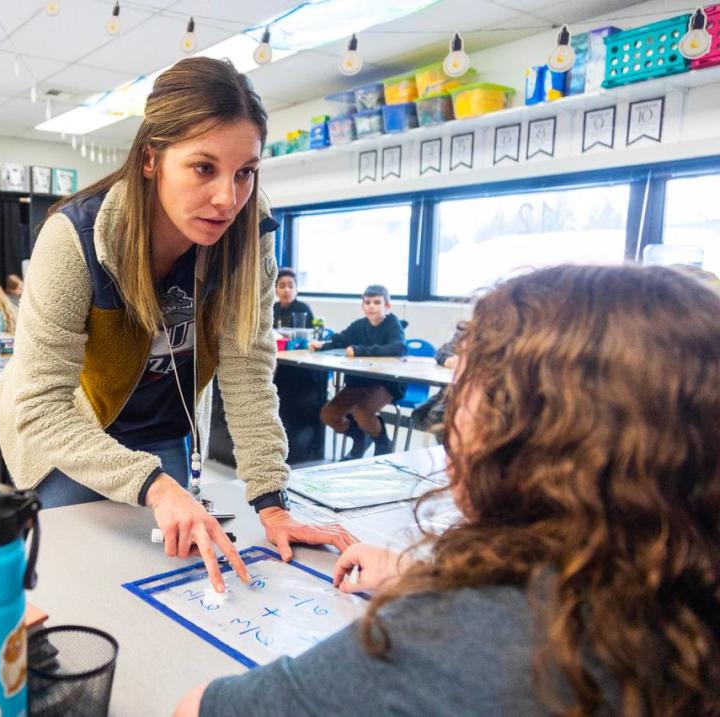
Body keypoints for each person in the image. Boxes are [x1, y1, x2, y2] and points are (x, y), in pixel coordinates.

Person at [176, 264, 720, 717]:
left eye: (463, 394)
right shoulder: (679, 588)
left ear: (519, 432)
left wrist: (441, 604)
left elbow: (198, 708)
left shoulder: (449, 642)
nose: (446, 419)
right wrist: (424, 577)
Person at [0, 57, 353, 593]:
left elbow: (248, 373)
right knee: (74, 585)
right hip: (74, 434)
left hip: (164, 430)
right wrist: (156, 487)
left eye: (245, 172)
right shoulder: (75, 238)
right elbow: (40, 406)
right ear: (150, 159)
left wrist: (272, 502)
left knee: (168, 580)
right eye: (204, 168)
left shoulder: (250, 234)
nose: (227, 198)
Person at [309, 284, 406, 458]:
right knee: (328, 415)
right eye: (367, 302)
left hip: (384, 384)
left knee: (362, 411)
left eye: (377, 302)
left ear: (388, 306)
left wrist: (360, 350)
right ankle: (360, 437)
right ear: (362, 306)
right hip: (358, 382)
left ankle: (382, 441)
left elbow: (398, 348)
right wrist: (321, 346)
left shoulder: (393, 324)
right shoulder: (358, 325)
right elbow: (340, 340)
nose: (371, 306)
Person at [272, 268, 326, 464]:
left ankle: (306, 447)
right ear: (276, 289)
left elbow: (311, 338)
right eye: (282, 286)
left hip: (300, 367)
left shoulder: (303, 309)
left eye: (291, 286)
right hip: (279, 362)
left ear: (296, 289)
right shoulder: (273, 309)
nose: (287, 290)